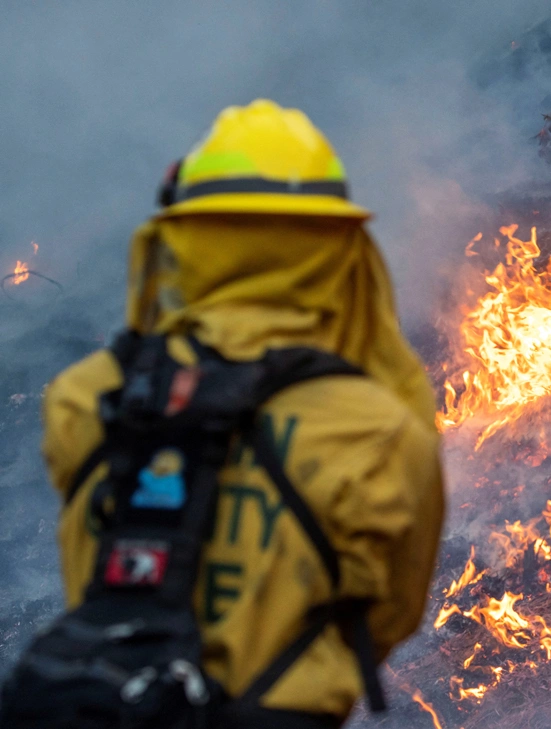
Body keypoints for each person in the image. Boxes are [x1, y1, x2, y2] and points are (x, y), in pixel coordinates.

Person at [14, 100, 445, 729]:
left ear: (182, 240)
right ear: (335, 246)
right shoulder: (377, 430)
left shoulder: (85, 397)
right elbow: (389, 617)